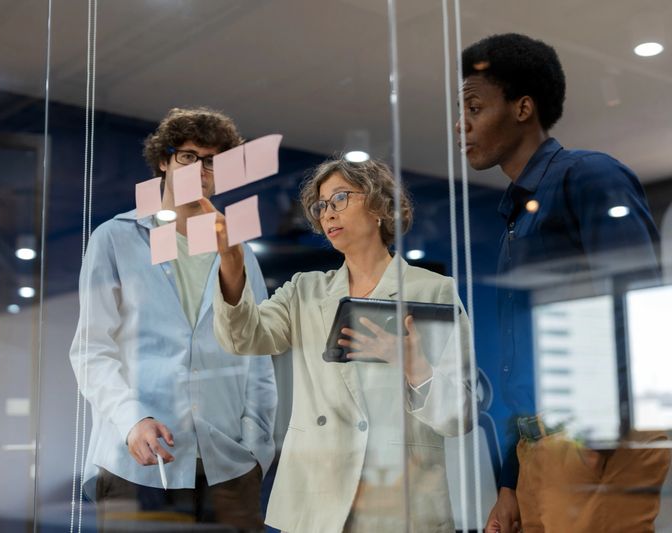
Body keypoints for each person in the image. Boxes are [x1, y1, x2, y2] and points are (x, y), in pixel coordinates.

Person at [456, 33, 670, 533]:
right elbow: (521, 362)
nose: (461, 124)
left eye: (474, 106)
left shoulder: (589, 176)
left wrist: (597, 437)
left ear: (523, 108)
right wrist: (511, 480)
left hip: (594, 443)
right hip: (540, 450)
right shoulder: (516, 212)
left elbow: (638, 305)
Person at [205, 157, 473, 532]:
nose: (327, 213)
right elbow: (243, 337)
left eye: (340, 198)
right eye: (321, 205)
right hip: (318, 492)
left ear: (380, 206)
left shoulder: (433, 291)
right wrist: (232, 263)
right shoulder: (304, 290)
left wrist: (414, 367)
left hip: (400, 497)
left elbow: (458, 416)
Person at [69, 107, 276, 532]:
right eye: (188, 156)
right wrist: (132, 420)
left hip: (227, 467)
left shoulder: (236, 252)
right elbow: (92, 350)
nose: (200, 169)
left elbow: (257, 357)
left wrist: (256, 450)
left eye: (213, 162)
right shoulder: (115, 238)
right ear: (163, 161)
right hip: (139, 463)